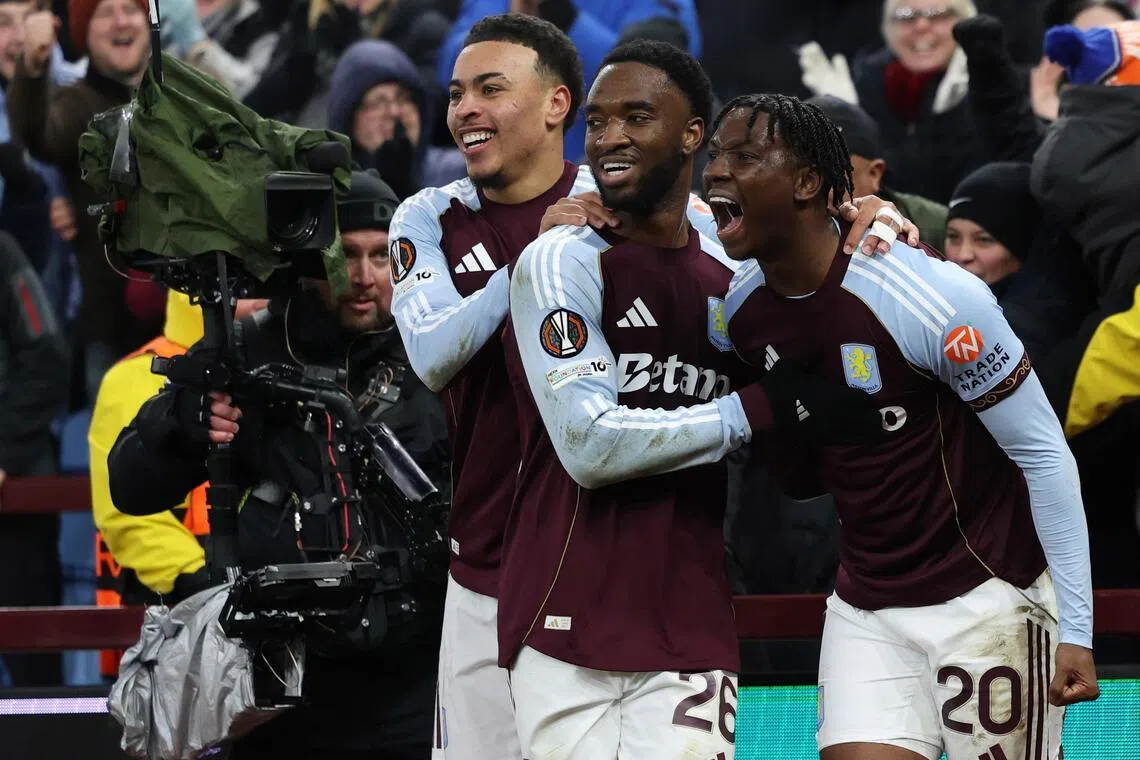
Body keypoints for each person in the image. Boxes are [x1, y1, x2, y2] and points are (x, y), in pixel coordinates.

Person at [389, 15, 915, 759]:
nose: (465, 108)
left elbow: (782, 254)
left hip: (636, 564)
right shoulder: (439, 217)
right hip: (489, 563)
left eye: (489, 88)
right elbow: (432, 358)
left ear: (554, 105)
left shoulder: (665, 218)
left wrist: (869, 220)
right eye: (456, 93)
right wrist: (529, 258)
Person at [707, 92, 1099, 760]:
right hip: (866, 605)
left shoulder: (930, 296)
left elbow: (1043, 455)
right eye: (714, 155)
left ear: (808, 183)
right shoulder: (739, 312)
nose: (717, 172)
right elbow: (802, 475)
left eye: (744, 157)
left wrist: (1079, 629)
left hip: (987, 594)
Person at [106, 170, 450, 759]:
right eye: (347, 259)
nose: (365, 280)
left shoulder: (441, 350)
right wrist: (187, 423)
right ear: (312, 262)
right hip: (280, 680)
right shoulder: (249, 351)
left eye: (383, 257)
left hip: (416, 673)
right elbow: (130, 485)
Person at [0, 228, 69, 687]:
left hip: (17, 485)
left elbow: (47, 356)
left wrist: (4, 447)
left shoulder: (2, 252)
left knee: (34, 670)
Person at [807, 94, 947, 251]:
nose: (811, 187)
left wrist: (901, 242)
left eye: (830, 172)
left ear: (874, 173)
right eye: (803, 173)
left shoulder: (938, 227)